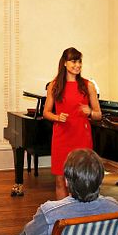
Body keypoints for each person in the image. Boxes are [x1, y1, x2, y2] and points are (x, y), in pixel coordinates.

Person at [42, 47, 102, 200]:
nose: (77, 65)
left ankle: (82, 215)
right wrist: (56, 117)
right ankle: (64, 215)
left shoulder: (88, 85)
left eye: (79, 61)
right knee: (60, 179)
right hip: (62, 137)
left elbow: (98, 115)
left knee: (84, 178)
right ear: (64, 63)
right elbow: (46, 112)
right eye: (73, 61)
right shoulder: (54, 85)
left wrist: (90, 112)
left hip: (82, 137)